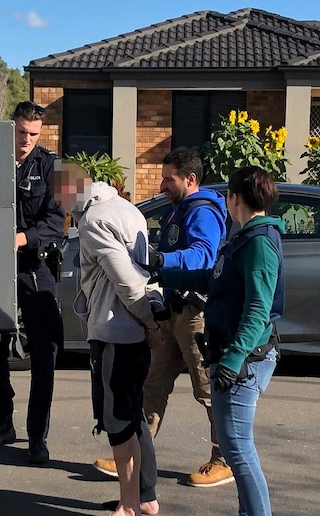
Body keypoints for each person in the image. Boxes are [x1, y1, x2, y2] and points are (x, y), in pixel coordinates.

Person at [157, 166, 285, 516]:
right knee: (233, 447)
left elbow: (259, 308)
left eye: (226, 196)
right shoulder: (241, 238)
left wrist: (232, 359)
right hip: (232, 354)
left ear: (234, 198)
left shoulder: (260, 242)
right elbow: (214, 280)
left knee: (238, 449)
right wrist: (161, 265)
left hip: (245, 358)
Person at [93, 146, 232, 488]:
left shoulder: (201, 212)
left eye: (168, 179)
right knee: (152, 384)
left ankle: (224, 459)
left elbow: (203, 256)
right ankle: (134, 452)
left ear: (191, 178)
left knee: (208, 389)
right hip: (173, 311)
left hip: (196, 314)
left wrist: (161, 262)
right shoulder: (178, 209)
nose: (162, 185)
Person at [62, 171, 165, 516]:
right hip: (132, 331)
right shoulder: (127, 209)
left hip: (116, 332)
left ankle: (128, 509)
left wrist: (149, 323)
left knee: (119, 421)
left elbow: (127, 280)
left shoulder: (92, 220)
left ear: (69, 193)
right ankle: (145, 496)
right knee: (133, 412)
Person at [0, 101, 65, 465]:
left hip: (35, 266)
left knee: (44, 352)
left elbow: (60, 221)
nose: (26, 140)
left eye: (33, 134)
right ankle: (2, 423)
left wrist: (23, 238)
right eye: (20, 132)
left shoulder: (57, 166)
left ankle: (37, 437)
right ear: (9, 129)